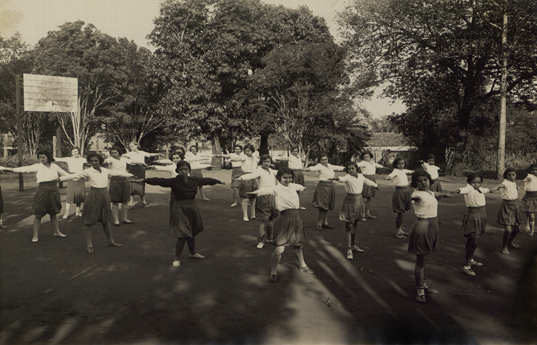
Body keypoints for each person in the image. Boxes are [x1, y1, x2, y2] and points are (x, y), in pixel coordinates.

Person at [143, 160, 225, 268]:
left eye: (186, 169)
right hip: (180, 209)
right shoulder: (174, 181)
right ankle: (177, 258)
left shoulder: (194, 180)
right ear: (177, 171)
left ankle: (193, 253)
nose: (184, 171)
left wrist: (218, 181)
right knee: (183, 234)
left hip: (192, 208)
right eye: (181, 170)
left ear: (189, 170)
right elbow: (160, 181)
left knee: (192, 232)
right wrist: (144, 180)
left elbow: (206, 180)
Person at [249, 167, 314, 283]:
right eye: (285, 178)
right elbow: (265, 190)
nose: (287, 180)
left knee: (297, 245)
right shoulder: (276, 188)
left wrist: (303, 187)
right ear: (279, 178)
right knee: (280, 248)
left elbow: (298, 186)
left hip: (296, 219)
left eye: (289, 177)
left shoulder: (293, 186)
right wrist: (256, 192)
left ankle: (302, 265)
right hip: (284, 219)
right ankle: (273, 271)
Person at [61, 153, 131, 253]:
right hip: (93, 196)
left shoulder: (105, 171)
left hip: (104, 196)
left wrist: (131, 175)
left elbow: (118, 173)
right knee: (88, 221)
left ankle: (111, 241)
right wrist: (59, 179)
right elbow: (74, 175)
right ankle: (89, 245)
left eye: (96, 161)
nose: (94, 163)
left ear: (100, 161)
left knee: (106, 220)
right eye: (92, 161)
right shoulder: (88, 171)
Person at [3, 150, 69, 242]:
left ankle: (57, 231)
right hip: (42, 191)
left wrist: (60, 179)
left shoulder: (55, 166)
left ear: (48, 157)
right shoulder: (38, 166)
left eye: (43, 157)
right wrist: (11, 169)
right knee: (38, 214)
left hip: (54, 191)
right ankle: (35, 235)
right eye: (40, 157)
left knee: (53, 213)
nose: (41, 159)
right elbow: (24, 169)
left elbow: (67, 175)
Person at [407, 170, 452, 303]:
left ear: (429, 180)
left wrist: (445, 194)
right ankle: (420, 290)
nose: (423, 183)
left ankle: (423, 283)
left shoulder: (429, 192)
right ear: (415, 183)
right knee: (421, 261)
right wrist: (411, 198)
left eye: (425, 180)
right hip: (422, 227)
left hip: (433, 225)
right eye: (419, 181)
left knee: (424, 259)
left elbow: (434, 194)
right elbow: (415, 198)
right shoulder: (417, 194)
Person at [453, 173, 498, 276]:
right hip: (473, 215)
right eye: (474, 182)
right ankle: (467, 266)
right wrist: (457, 191)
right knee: (474, 240)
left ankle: (470, 259)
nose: (476, 184)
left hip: (482, 214)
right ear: (469, 182)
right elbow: (462, 190)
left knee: (472, 240)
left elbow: (486, 190)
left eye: (478, 182)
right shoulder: (468, 189)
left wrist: (492, 190)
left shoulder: (480, 189)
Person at [332, 162, 378, 259]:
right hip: (349, 201)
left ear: (356, 168)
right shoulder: (347, 177)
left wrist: (375, 184)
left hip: (359, 202)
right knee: (348, 226)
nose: (351, 170)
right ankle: (349, 249)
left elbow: (367, 181)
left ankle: (353, 245)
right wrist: (337, 178)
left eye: (352, 168)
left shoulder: (361, 176)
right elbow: (342, 179)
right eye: (349, 169)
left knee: (355, 225)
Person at [237, 154, 278, 248]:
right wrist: (241, 178)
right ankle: (261, 241)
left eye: (268, 161)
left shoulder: (271, 171)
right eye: (265, 162)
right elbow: (251, 175)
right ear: (261, 162)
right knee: (263, 221)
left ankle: (269, 238)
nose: (267, 163)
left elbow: (280, 173)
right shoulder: (259, 171)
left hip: (272, 196)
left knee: (271, 220)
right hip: (262, 197)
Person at [304, 153, 345, 231]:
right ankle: (319, 224)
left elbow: (337, 167)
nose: (324, 161)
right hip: (323, 186)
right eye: (322, 159)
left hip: (330, 186)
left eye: (325, 159)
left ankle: (325, 223)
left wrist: (345, 167)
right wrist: (307, 168)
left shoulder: (330, 165)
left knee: (327, 206)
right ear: (320, 160)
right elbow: (313, 168)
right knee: (322, 206)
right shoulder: (319, 166)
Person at [104, 147, 136, 226]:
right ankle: (116, 220)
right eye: (112, 153)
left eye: (115, 152)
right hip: (115, 181)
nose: (114, 154)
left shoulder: (124, 159)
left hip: (124, 180)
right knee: (115, 201)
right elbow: (105, 162)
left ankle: (124, 218)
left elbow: (133, 162)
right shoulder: (110, 159)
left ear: (119, 152)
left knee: (125, 201)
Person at [123, 141, 161, 208]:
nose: (131, 148)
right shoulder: (130, 154)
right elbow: (123, 156)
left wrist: (158, 153)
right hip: (132, 169)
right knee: (132, 186)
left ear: (136, 145)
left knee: (141, 184)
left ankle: (144, 202)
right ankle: (131, 203)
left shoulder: (142, 153)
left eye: (132, 146)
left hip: (141, 170)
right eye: (130, 147)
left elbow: (150, 154)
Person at [495, 168, 523, 254]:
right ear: (506, 176)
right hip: (506, 207)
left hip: (515, 206)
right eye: (509, 175)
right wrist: (494, 188)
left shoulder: (513, 183)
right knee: (508, 230)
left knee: (517, 229)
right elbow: (501, 185)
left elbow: (512, 188)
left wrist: (516, 188)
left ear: (516, 175)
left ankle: (509, 243)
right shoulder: (505, 183)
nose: (511, 176)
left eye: (513, 174)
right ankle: (504, 247)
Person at [385, 157, 414, 239]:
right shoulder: (395, 171)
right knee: (400, 213)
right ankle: (397, 232)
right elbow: (391, 175)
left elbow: (410, 171)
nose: (401, 165)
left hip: (406, 191)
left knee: (402, 212)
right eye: (399, 163)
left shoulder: (403, 171)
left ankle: (400, 229)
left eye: (403, 163)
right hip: (399, 192)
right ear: (396, 164)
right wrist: (389, 177)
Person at [55, 147, 87, 218]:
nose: (75, 153)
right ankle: (67, 213)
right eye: (73, 152)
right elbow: (58, 159)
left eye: (76, 151)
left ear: (78, 152)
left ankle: (78, 211)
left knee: (79, 196)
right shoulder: (68, 159)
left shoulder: (82, 159)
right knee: (69, 196)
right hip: (71, 177)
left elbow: (90, 160)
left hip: (80, 177)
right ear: (71, 153)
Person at [357, 151, 384, 221]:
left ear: (370, 157)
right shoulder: (363, 163)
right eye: (364, 157)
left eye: (367, 157)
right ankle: (362, 215)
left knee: (369, 198)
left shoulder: (372, 163)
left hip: (372, 180)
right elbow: (356, 165)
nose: (366, 158)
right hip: (366, 181)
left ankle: (367, 213)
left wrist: (384, 167)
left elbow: (379, 166)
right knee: (364, 199)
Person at [238, 144, 259, 222]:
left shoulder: (255, 158)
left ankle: (253, 214)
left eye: (249, 150)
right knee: (245, 198)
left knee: (253, 198)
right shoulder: (243, 157)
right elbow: (237, 158)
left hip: (253, 177)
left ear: (252, 151)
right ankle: (245, 215)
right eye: (246, 150)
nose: (247, 152)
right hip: (245, 177)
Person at [522, 164, 537, 236]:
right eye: (533, 170)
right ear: (530, 170)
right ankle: (532, 231)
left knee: (530, 213)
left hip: (536, 197)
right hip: (529, 197)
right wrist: (526, 179)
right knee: (531, 214)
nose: (535, 171)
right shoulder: (530, 176)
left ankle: (529, 226)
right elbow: (526, 179)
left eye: (536, 170)